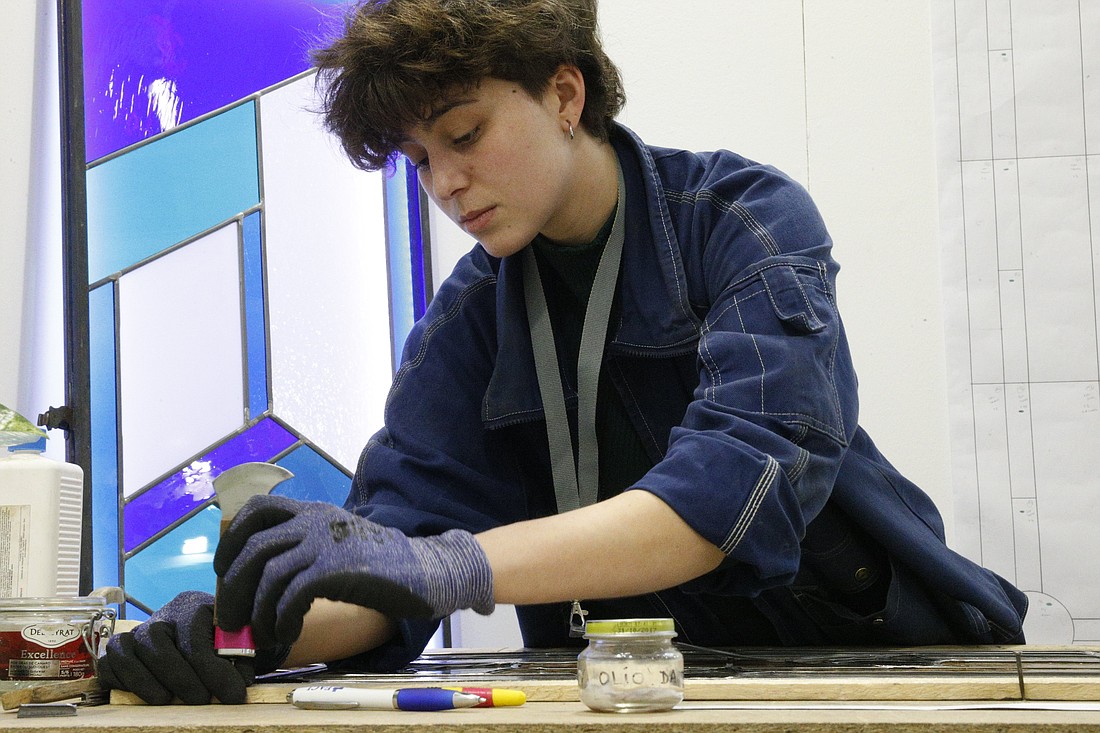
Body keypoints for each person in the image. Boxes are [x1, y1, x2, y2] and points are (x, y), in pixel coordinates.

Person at [97, 0, 1028, 705]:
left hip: (874, 673)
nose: (446, 184)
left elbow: (723, 498)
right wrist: (245, 629)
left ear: (565, 92)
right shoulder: (468, 323)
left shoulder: (743, 223)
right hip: (633, 698)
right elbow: (389, 573)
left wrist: (452, 563)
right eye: (420, 159)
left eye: (463, 135)